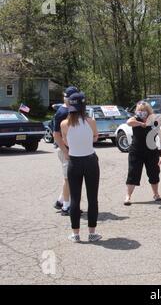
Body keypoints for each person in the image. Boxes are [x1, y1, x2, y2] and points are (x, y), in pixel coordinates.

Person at [60, 92, 101, 243]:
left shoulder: (64, 124)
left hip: (74, 162)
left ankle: (76, 234)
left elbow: (66, 141)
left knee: (75, 198)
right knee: (92, 198)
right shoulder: (91, 121)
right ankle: (92, 233)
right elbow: (96, 137)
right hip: (90, 160)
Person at [124, 101, 161, 205]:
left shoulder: (153, 119)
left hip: (151, 151)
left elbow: (160, 130)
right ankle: (128, 197)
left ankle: (156, 194)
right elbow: (128, 122)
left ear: (148, 111)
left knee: (154, 173)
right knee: (133, 173)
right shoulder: (135, 119)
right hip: (136, 151)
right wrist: (141, 123)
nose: (141, 112)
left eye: (143, 110)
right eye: (139, 110)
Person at [53, 86, 79, 216]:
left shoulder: (69, 110)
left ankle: (60, 201)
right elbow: (56, 135)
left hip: (69, 149)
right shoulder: (63, 112)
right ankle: (66, 207)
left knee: (68, 178)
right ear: (67, 98)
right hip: (64, 150)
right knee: (69, 179)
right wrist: (65, 151)